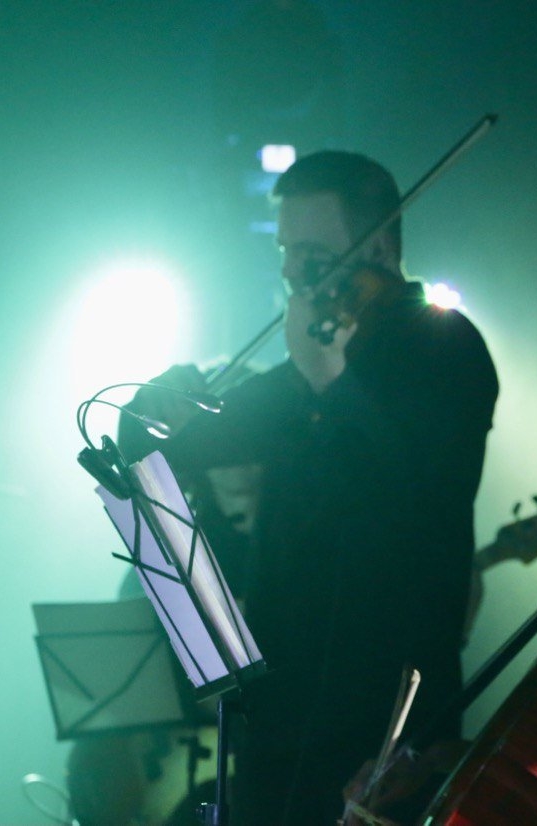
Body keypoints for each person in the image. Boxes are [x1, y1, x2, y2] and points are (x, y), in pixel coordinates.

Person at [121, 150, 498, 825]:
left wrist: (330, 379)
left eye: (313, 254)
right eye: (286, 252)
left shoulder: (445, 347)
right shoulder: (309, 369)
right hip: (279, 712)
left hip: (383, 718)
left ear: (378, 245)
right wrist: (149, 411)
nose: (293, 272)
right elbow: (179, 449)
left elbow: (406, 499)